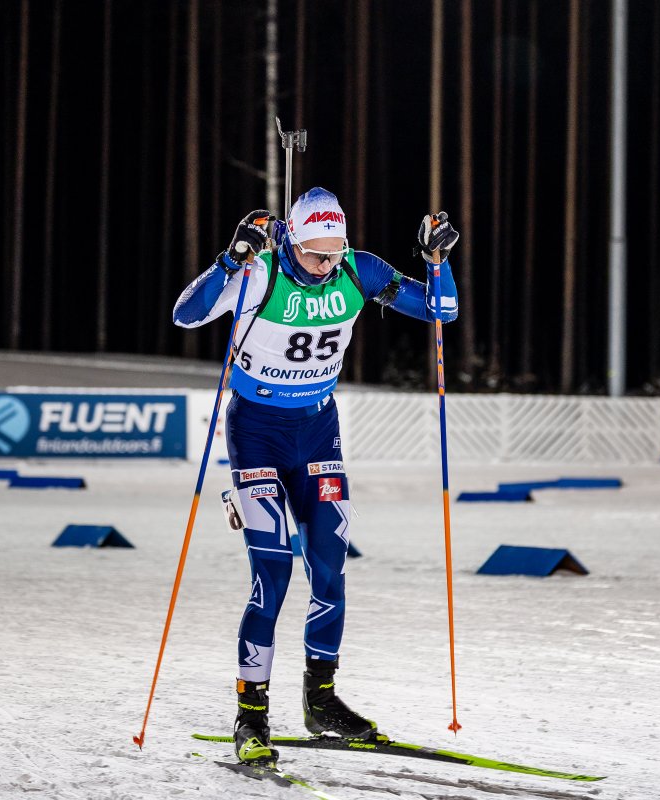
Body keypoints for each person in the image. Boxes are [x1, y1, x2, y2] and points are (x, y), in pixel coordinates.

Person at [172, 187, 459, 766]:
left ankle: (320, 700)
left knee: (329, 567)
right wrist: (229, 260)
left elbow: (441, 310)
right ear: (292, 241)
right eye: (314, 256)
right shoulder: (260, 273)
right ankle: (250, 716)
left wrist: (437, 263)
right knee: (272, 576)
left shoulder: (359, 271)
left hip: (317, 433)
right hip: (255, 432)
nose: (326, 267)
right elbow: (187, 313)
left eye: (335, 254)